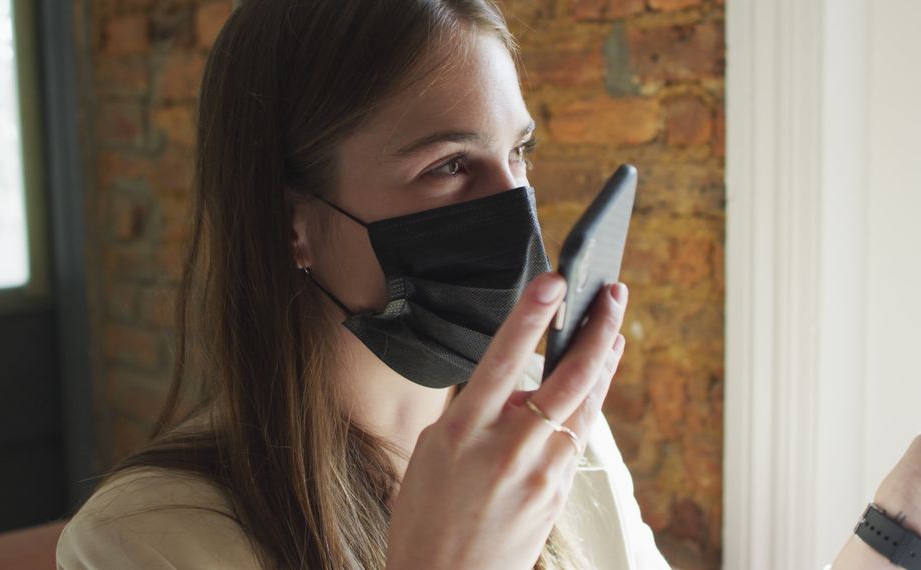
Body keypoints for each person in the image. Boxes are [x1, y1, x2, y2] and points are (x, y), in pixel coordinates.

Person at [57, 1, 921, 568]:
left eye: (519, 154)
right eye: (446, 165)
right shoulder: (138, 543)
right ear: (295, 223)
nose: (514, 207)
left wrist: (900, 517)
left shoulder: (553, 435)